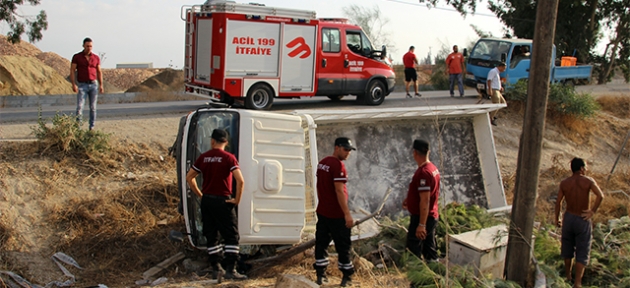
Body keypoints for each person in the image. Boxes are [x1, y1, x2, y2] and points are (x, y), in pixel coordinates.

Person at [186, 129, 247, 280]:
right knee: (232, 236)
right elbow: (240, 180)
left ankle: (216, 268)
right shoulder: (229, 158)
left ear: (212, 141)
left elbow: (189, 177)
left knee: (211, 235)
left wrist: (200, 194)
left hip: (207, 201)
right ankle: (231, 270)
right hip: (223, 201)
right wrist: (237, 199)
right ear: (225, 142)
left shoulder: (204, 158)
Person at [554, 158, 604, 288]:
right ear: (581, 168)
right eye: (585, 167)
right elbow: (600, 196)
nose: (586, 170)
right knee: (582, 249)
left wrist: (557, 218)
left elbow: (558, 202)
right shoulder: (588, 181)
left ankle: (568, 276)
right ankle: (577, 283)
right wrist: (592, 211)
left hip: (569, 217)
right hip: (582, 218)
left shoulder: (565, 183)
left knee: (567, 247)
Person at [313, 137, 356, 287]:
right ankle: (347, 277)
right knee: (343, 246)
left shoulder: (323, 163)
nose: (348, 153)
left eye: (349, 150)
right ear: (336, 147)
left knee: (321, 244)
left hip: (323, 211)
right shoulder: (338, 166)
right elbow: (339, 191)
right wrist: (347, 214)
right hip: (336, 214)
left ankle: (321, 275)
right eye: (345, 149)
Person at [403, 139, 440, 263]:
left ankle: (418, 280)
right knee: (429, 249)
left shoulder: (423, 173)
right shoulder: (432, 168)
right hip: (430, 215)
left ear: (414, 153)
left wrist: (421, 225)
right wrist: (409, 199)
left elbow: (425, 200)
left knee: (414, 250)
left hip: (423, 217)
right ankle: (435, 276)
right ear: (428, 151)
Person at [70, 37, 104, 131]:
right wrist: (73, 84)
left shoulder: (96, 58)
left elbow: (99, 71)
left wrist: (101, 85)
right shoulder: (77, 57)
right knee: (79, 107)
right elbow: (72, 70)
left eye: (91, 46)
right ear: (83, 46)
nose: (89, 48)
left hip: (93, 84)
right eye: (87, 46)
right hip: (82, 85)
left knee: (93, 107)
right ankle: (78, 127)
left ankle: (91, 127)